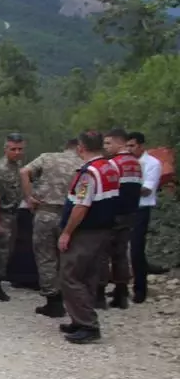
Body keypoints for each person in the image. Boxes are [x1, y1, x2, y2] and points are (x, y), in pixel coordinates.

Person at [58, 130, 121, 344]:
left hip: (85, 232)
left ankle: (87, 324)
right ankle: (79, 319)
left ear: (81, 148)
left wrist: (67, 232)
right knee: (88, 277)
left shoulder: (89, 173)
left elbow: (81, 206)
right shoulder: (110, 167)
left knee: (70, 276)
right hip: (104, 230)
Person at [20, 137, 81, 317]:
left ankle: (53, 302)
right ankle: (73, 300)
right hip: (72, 216)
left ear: (64, 148)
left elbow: (24, 172)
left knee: (46, 257)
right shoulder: (84, 162)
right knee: (69, 258)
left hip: (45, 213)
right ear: (79, 148)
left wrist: (29, 197)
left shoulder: (47, 158)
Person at [97, 128, 143, 309]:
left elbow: (109, 190)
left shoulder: (114, 164)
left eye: (108, 143)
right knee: (121, 254)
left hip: (112, 215)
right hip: (130, 214)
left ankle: (99, 295)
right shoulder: (136, 163)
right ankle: (121, 293)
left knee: (102, 254)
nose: (105, 147)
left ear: (120, 143)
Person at [0, 132, 26, 302]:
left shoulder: (17, 165)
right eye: (13, 149)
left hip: (13, 213)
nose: (17, 152)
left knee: (7, 250)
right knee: (0, 251)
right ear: (5, 149)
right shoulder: (0, 170)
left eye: (20, 149)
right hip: (2, 214)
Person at [127, 131, 162, 303]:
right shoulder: (127, 163)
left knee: (136, 249)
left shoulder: (152, 163)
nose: (129, 149)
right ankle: (121, 286)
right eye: (127, 146)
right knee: (119, 247)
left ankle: (140, 288)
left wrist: (127, 189)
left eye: (132, 146)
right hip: (126, 208)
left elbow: (147, 188)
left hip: (141, 207)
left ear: (141, 145)